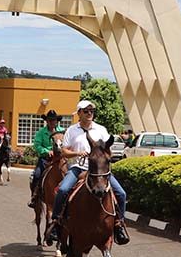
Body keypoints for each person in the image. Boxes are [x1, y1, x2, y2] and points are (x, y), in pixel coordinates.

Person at [49, 100, 129, 246]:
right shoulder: (72, 130)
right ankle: (55, 223)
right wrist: (77, 153)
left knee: (121, 194)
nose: (90, 113)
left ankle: (119, 225)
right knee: (62, 190)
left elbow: (107, 149)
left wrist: (101, 156)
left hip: (99, 171)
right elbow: (64, 152)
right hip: (78, 168)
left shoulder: (101, 130)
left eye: (91, 111)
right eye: (86, 111)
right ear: (79, 113)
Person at [27, 110, 64, 208]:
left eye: (54, 120)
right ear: (47, 121)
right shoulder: (41, 132)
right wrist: (47, 151)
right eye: (50, 120)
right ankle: (34, 197)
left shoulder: (62, 131)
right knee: (37, 174)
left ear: (57, 121)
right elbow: (37, 145)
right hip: (46, 159)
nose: (52, 122)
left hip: (60, 159)